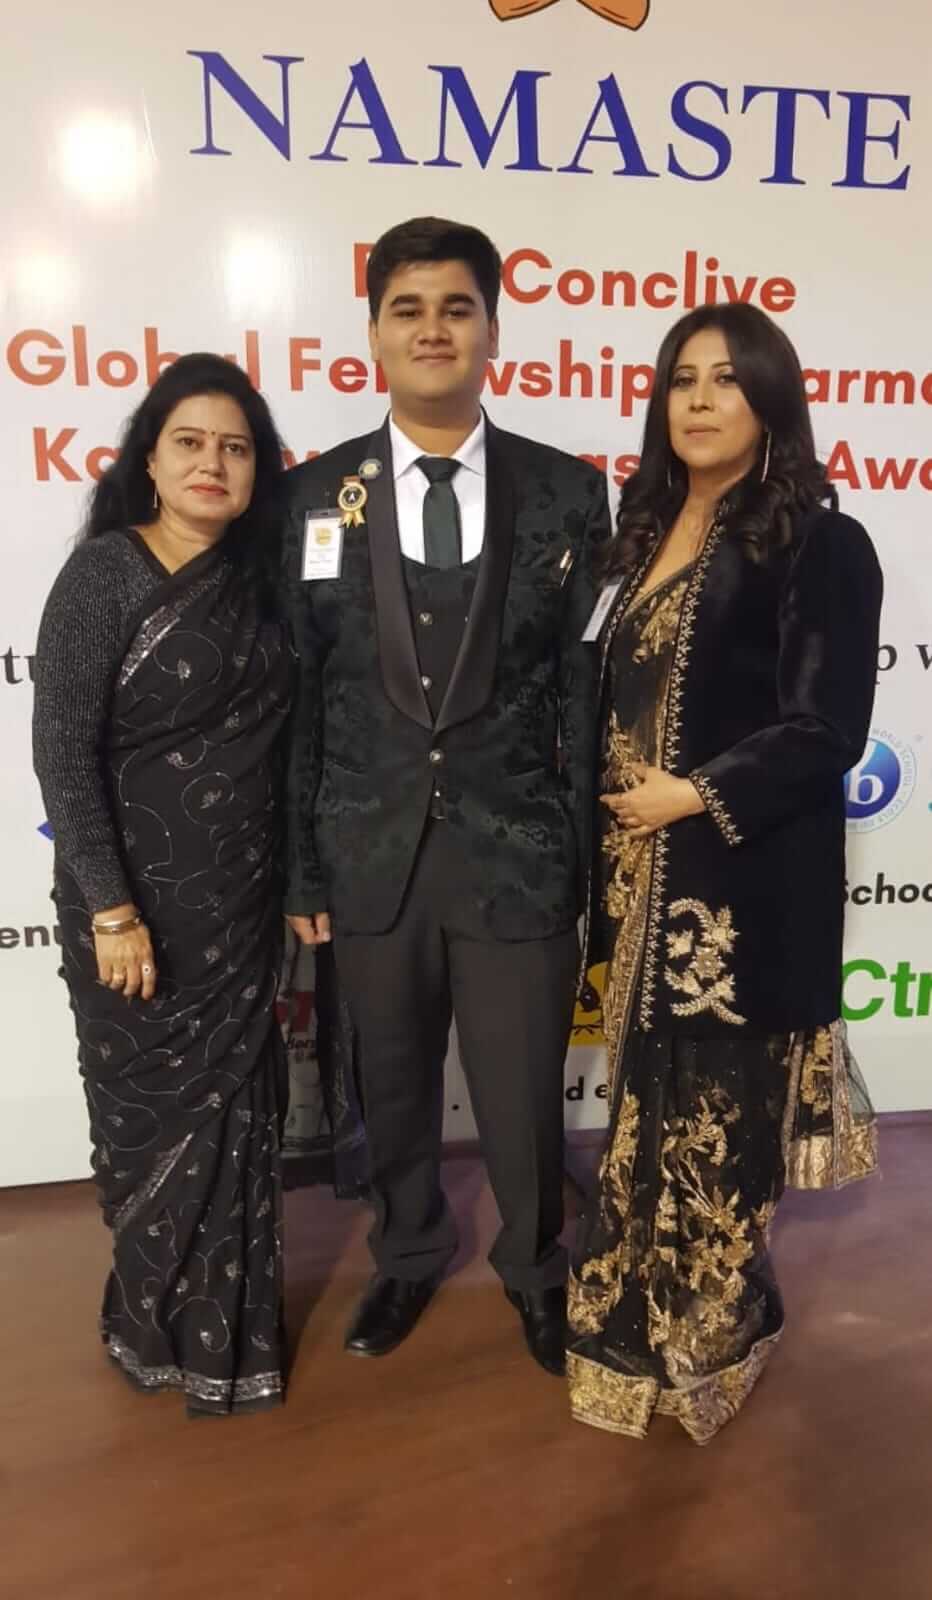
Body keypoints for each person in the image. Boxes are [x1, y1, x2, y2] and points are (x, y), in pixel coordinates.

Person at [283, 217, 610, 1374]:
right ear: (374, 333)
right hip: (365, 852)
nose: (432, 329)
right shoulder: (314, 494)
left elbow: (581, 690)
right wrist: (301, 864)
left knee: (522, 1088)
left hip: (518, 850)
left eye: (456, 307)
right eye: (408, 309)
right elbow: (302, 693)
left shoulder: (568, 493)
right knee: (391, 1079)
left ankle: (535, 1267)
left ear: (491, 331)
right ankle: (409, 1252)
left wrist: (583, 855)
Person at [567, 304, 882, 1443]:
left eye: (727, 380)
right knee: (644, 1105)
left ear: (770, 402)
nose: (699, 400)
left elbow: (824, 727)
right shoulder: (636, 537)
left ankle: (709, 1328)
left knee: (714, 1120)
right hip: (634, 881)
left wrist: (693, 793)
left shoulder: (815, 542)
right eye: (682, 379)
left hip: (736, 886)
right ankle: (628, 1301)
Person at [33, 354, 293, 1416]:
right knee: (145, 1125)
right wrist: (110, 906)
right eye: (189, 442)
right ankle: (150, 1326)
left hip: (239, 913)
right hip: (129, 916)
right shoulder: (105, 575)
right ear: (149, 459)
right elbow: (63, 752)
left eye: (234, 447)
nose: (211, 463)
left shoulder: (267, 586)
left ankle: (233, 1341)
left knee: (238, 1123)